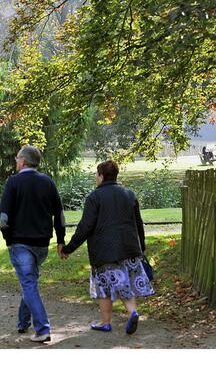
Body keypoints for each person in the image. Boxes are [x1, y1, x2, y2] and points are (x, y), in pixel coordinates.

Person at [61, 160, 154, 334]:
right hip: (130, 248)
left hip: (104, 252)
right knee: (126, 285)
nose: (95, 178)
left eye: (96, 174)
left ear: (102, 176)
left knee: (104, 287)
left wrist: (68, 249)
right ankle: (132, 312)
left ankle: (105, 322)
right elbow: (138, 224)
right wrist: (141, 247)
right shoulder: (129, 194)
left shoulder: (94, 197)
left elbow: (85, 227)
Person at [0, 145, 66, 343]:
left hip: (20, 244)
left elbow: (3, 219)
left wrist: (8, 239)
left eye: (18, 158)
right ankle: (23, 323)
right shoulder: (48, 182)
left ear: (24, 161)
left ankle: (43, 329)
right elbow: (60, 216)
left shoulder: (13, 182)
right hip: (41, 245)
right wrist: (61, 240)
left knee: (28, 283)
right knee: (29, 281)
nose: (16, 161)